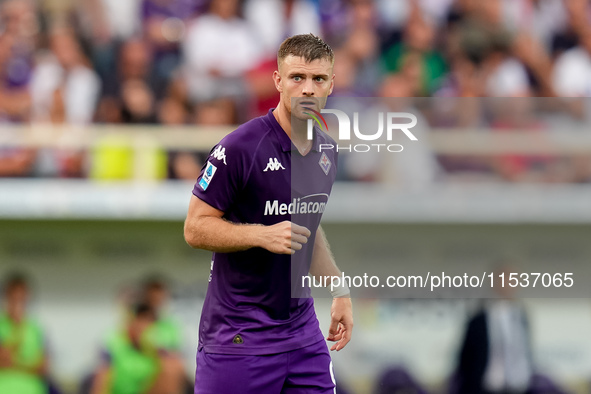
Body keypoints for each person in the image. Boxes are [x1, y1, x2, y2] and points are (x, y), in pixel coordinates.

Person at [184, 33, 353, 393]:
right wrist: (261, 234)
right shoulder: (240, 147)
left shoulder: (326, 151)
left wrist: (339, 290)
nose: (308, 89)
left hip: (302, 333)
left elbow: (307, 228)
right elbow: (195, 228)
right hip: (239, 338)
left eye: (318, 79)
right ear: (278, 81)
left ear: (331, 84)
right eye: (297, 78)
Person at [90, 303, 186, 394]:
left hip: (147, 389)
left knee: (173, 368)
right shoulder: (114, 344)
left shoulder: (157, 348)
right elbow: (100, 384)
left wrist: (157, 351)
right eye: (140, 321)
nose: (143, 327)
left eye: (147, 323)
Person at [0, 273, 49, 394]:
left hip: (33, 389)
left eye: (22, 297)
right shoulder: (2, 325)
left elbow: (43, 367)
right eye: (14, 297)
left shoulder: (36, 328)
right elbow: (4, 360)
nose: (18, 302)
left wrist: (16, 363)